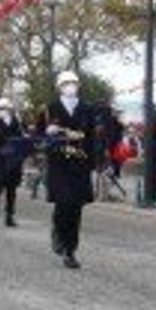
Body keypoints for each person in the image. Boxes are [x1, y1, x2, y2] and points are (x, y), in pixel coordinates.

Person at [43, 71, 96, 269]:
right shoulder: (50, 108)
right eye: (66, 83)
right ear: (60, 86)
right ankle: (58, 232)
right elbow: (40, 136)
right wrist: (47, 133)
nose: (70, 86)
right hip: (59, 163)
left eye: (73, 83)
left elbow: (92, 137)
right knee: (64, 203)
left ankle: (70, 250)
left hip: (80, 164)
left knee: (76, 207)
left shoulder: (86, 108)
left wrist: (94, 161)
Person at [0, 98, 25, 227]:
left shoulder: (16, 122)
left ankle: (9, 215)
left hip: (13, 161)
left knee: (11, 190)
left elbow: (20, 138)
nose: (4, 111)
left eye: (6, 108)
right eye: (1, 109)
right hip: (0, 160)